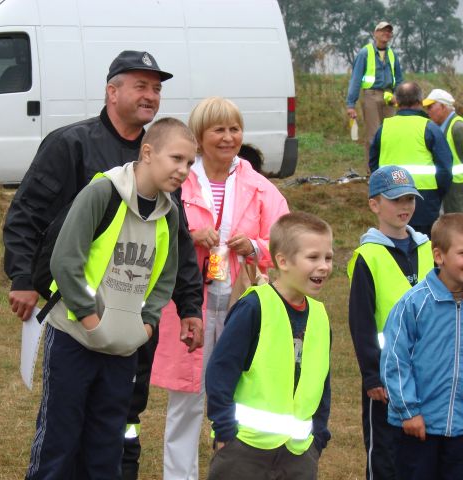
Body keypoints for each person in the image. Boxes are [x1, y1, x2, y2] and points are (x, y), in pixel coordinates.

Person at [3, 50, 204, 480]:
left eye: (156, 89)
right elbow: (28, 214)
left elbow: (177, 244)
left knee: (120, 424)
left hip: (130, 323)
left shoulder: (168, 162)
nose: (150, 95)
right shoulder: (71, 145)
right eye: (140, 85)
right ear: (112, 92)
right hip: (79, 318)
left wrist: (187, 307)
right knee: (63, 431)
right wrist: (22, 276)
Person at [150, 96, 289, 480]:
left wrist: (256, 247)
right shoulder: (178, 182)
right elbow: (153, 231)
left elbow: (286, 241)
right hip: (189, 303)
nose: (228, 138)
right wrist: (189, 236)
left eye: (235, 129)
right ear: (199, 136)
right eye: (218, 130)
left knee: (236, 395)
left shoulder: (259, 186)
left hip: (240, 303)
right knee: (187, 400)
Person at [205, 212, 333, 480]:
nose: (324, 266)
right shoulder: (253, 308)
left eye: (328, 257)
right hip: (244, 450)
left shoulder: (320, 317)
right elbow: (221, 370)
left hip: (299, 454)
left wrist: (318, 436)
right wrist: (225, 430)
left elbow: (322, 383)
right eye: (313, 257)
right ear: (282, 261)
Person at [347, 165, 432, 480]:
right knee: (384, 452)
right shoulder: (367, 257)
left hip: (427, 369)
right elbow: (361, 322)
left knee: (423, 450)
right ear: (374, 204)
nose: (404, 206)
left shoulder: (428, 248)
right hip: (386, 373)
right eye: (395, 200)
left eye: (409, 199)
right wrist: (372, 376)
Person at [381, 212, 463, 480]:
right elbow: (395, 360)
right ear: (439, 256)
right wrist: (409, 412)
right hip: (419, 427)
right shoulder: (413, 304)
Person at [370, 81, 453, 235]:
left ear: (397, 101)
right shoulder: (430, 127)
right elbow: (445, 169)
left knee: (393, 243)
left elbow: (373, 163)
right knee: (423, 245)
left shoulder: (384, 128)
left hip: (390, 198)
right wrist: (437, 194)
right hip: (424, 200)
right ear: (420, 101)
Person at [347, 21, 403, 166]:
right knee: (373, 135)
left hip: (389, 97)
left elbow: (399, 79)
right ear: (375, 33)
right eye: (383, 30)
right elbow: (356, 79)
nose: (386, 33)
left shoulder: (393, 55)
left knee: (390, 135)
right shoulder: (364, 53)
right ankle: (372, 171)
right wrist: (351, 104)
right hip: (371, 96)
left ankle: (389, 169)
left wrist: (398, 96)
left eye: (389, 31)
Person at [423, 88, 463, 213]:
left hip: (457, 190)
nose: (427, 111)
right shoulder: (441, 127)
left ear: (443, 107)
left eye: (430, 107)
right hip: (449, 188)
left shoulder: (458, 128)